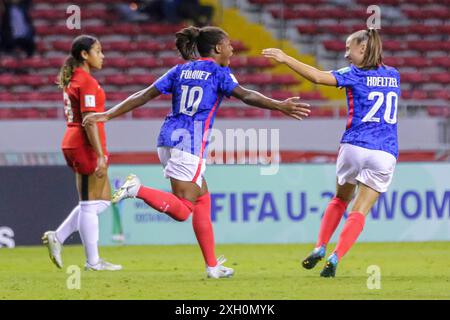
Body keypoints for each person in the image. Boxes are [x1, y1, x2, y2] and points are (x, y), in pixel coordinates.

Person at [83, 26, 310, 279]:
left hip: (166, 139)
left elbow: (143, 95)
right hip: (188, 146)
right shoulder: (219, 72)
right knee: (183, 210)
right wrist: (279, 105)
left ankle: (212, 266)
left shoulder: (180, 70)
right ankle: (137, 189)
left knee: (202, 198)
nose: (232, 49)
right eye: (228, 45)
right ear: (217, 49)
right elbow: (246, 95)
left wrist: (108, 114)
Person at [263, 28, 400, 277]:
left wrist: (286, 58)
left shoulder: (354, 74)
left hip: (354, 146)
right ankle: (336, 257)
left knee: (339, 199)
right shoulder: (394, 75)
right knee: (360, 211)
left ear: (363, 48)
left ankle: (320, 247)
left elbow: (316, 77)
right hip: (385, 152)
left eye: (350, 48)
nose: (346, 54)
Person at [42, 35, 122, 271]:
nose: (103, 55)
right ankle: (93, 262)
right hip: (83, 143)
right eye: (98, 51)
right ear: (84, 55)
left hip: (75, 140)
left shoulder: (76, 79)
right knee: (89, 204)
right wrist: (99, 155)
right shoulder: (85, 81)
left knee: (104, 200)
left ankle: (58, 236)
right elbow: (89, 121)